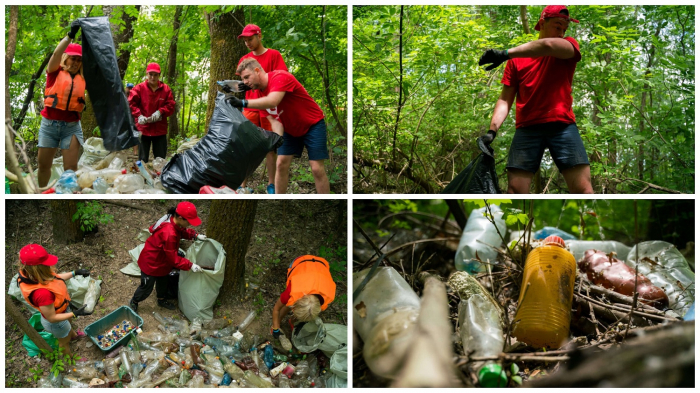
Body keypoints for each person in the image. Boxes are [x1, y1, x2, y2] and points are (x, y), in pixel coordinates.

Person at [478, 5, 593, 194]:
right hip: (527, 129)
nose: (562, 33)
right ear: (542, 23)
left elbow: (547, 46)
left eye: (564, 29)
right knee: (515, 192)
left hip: (562, 126)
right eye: (557, 26)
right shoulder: (517, 60)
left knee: (583, 191)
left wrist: (504, 54)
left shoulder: (569, 45)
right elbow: (505, 100)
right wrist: (492, 131)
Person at [228, 59, 331, 194]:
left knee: (316, 168)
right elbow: (275, 121)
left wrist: (242, 103)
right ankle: (278, 197)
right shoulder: (259, 94)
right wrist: (278, 138)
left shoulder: (280, 77)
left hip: (312, 124)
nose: (245, 82)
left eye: (247, 77)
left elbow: (273, 101)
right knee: (281, 164)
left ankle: (324, 199)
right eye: (243, 79)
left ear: (257, 71)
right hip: (289, 129)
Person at [236, 24, 288, 194]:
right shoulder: (245, 59)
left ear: (259, 36)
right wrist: (236, 87)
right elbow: (242, 82)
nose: (247, 43)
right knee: (246, 146)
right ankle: (241, 184)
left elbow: (282, 77)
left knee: (270, 147)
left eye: (250, 39)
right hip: (250, 107)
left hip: (269, 107)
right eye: (245, 40)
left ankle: (271, 185)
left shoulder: (274, 55)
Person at [17, 244, 92, 356]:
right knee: (63, 342)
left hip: (63, 310)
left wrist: (74, 273)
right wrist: (75, 313)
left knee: (68, 326)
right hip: (57, 322)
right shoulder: (42, 294)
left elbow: (55, 278)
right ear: (39, 268)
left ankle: (73, 335)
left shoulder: (34, 275)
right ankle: (71, 359)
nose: (50, 265)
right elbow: (52, 318)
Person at [129, 201, 206, 312]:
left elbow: (181, 231)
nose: (190, 224)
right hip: (151, 263)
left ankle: (161, 299)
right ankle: (134, 301)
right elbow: (173, 259)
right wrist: (190, 265)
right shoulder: (170, 233)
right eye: (189, 221)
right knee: (146, 287)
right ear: (180, 218)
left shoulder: (173, 221)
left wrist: (194, 235)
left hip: (162, 262)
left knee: (163, 282)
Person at [37, 20, 86, 188]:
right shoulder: (54, 72)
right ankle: (41, 195)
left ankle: (69, 195)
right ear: (66, 58)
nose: (75, 63)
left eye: (79, 60)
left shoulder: (83, 77)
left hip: (71, 127)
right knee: (43, 166)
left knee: (70, 169)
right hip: (49, 125)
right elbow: (55, 55)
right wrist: (70, 36)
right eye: (72, 59)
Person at [271, 255, 336, 347]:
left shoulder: (327, 296)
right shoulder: (292, 290)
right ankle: (279, 322)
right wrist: (275, 328)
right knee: (288, 303)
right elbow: (276, 309)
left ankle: (292, 321)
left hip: (321, 266)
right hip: (300, 262)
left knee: (299, 309)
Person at [128, 63, 175, 163]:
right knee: (142, 159)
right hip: (143, 128)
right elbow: (131, 103)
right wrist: (139, 115)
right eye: (150, 74)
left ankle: (159, 176)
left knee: (160, 159)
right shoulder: (139, 88)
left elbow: (171, 105)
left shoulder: (166, 89)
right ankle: (142, 176)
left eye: (155, 75)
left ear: (159, 75)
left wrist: (160, 112)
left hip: (160, 129)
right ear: (147, 74)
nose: (153, 77)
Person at [124, 82, 139, 155]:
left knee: (135, 134)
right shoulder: (122, 97)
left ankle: (135, 152)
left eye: (131, 88)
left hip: (133, 119)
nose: (130, 90)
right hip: (124, 119)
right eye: (128, 88)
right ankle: (123, 151)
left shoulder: (135, 97)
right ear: (126, 88)